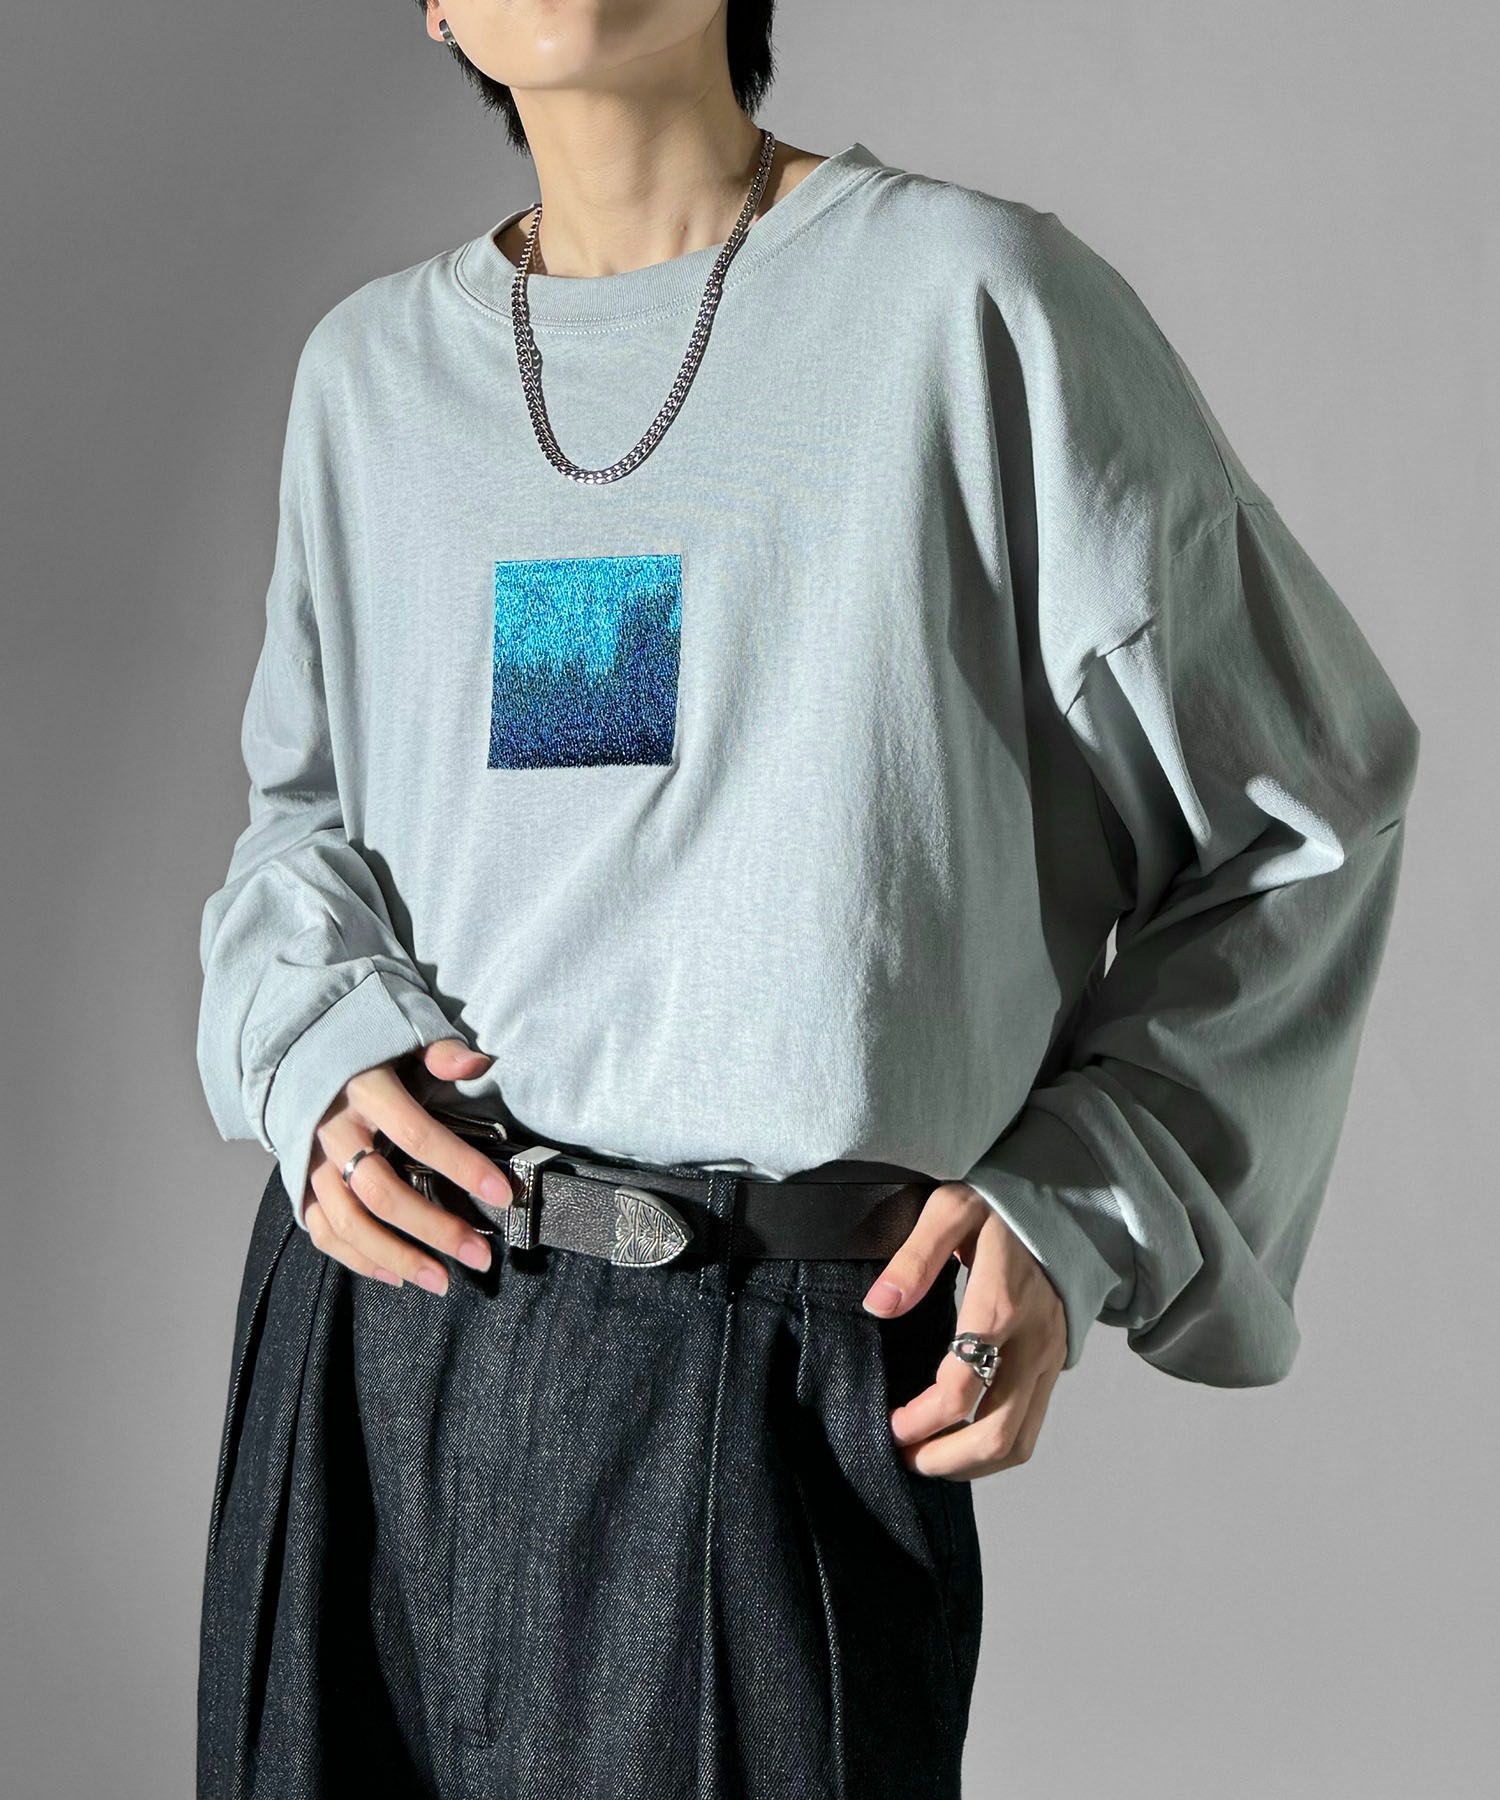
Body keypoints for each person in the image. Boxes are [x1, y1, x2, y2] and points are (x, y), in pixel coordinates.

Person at [192, 4, 1422, 1797]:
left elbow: (1309, 806)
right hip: (369, 1355)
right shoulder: (371, 377)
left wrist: (1087, 1195)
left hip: (754, 1378)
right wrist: (309, 1053)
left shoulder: (971, 306)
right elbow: (299, 821)